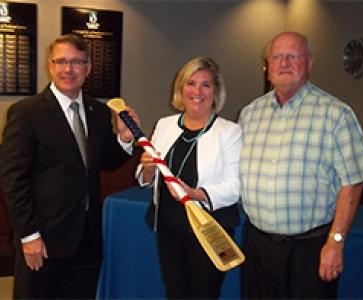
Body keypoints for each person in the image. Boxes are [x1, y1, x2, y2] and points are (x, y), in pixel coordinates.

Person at [239, 31, 363, 299]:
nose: (284, 63)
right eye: (277, 57)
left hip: (310, 248)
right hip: (258, 246)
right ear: (267, 66)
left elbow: (354, 182)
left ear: (310, 63)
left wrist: (335, 243)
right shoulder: (249, 114)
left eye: (293, 56)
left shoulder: (336, 114)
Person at [0, 34, 137, 299]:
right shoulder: (26, 112)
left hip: (86, 238)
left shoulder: (98, 112)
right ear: (50, 66)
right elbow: (13, 180)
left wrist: (124, 138)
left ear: (88, 68)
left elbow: (108, 161)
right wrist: (29, 236)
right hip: (43, 238)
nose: (68, 69)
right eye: (61, 61)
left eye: (77, 62)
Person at [136, 56, 242, 299]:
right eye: (191, 83)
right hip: (169, 229)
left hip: (210, 229)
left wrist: (195, 194)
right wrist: (148, 169)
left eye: (206, 85)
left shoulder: (229, 132)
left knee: (203, 294)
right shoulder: (164, 124)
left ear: (216, 92)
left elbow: (234, 187)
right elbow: (146, 178)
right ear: (180, 89)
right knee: (175, 292)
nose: (197, 91)